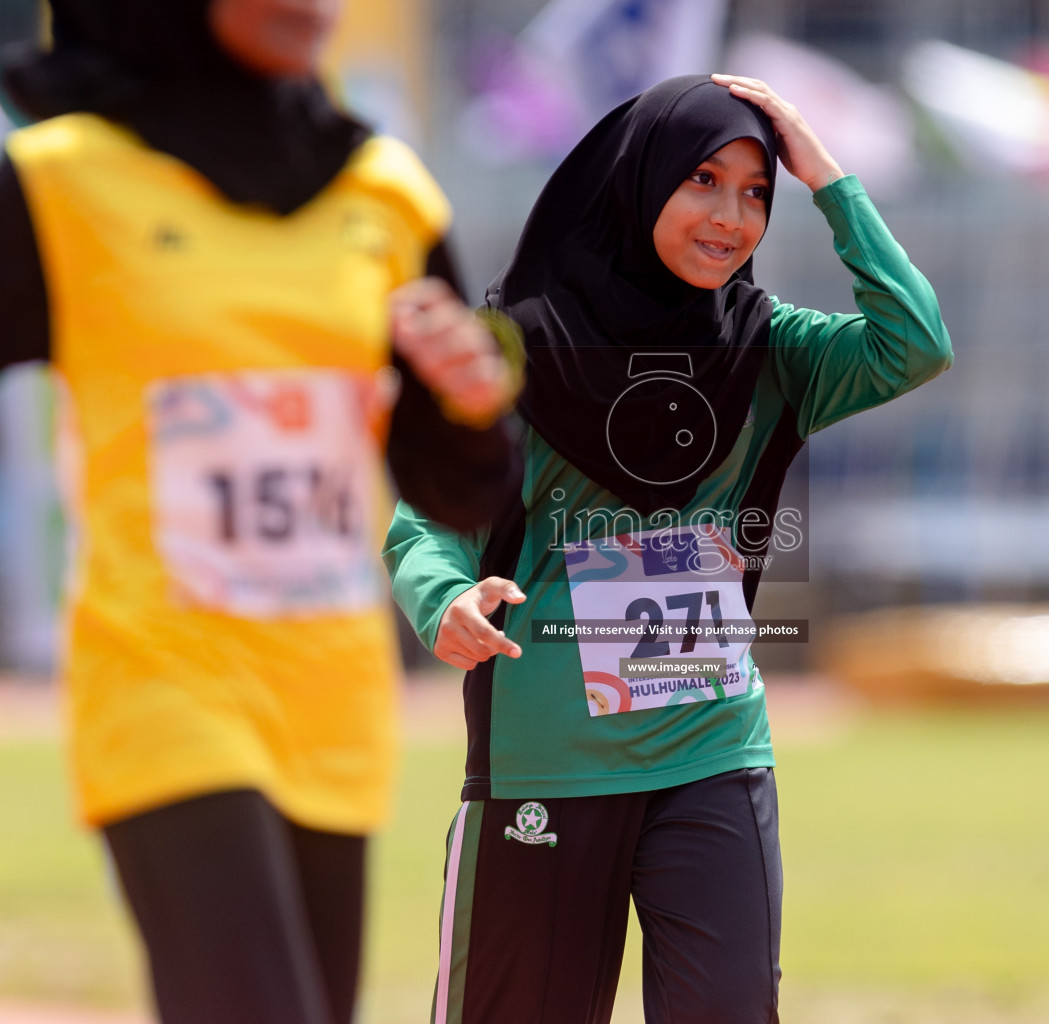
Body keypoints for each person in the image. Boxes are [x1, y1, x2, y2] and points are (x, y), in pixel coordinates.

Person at [0, 2, 521, 1023]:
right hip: (162, 683)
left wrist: (469, 404)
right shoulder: (69, 182)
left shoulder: (386, 191)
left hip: (331, 701)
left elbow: (459, 488)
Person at [384, 74, 952, 1023]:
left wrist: (826, 178)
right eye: (701, 179)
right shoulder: (512, 354)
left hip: (713, 752)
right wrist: (441, 595)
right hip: (546, 764)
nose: (732, 216)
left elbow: (914, 342)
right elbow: (425, 515)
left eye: (756, 190)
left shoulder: (774, 351)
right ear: (637, 180)